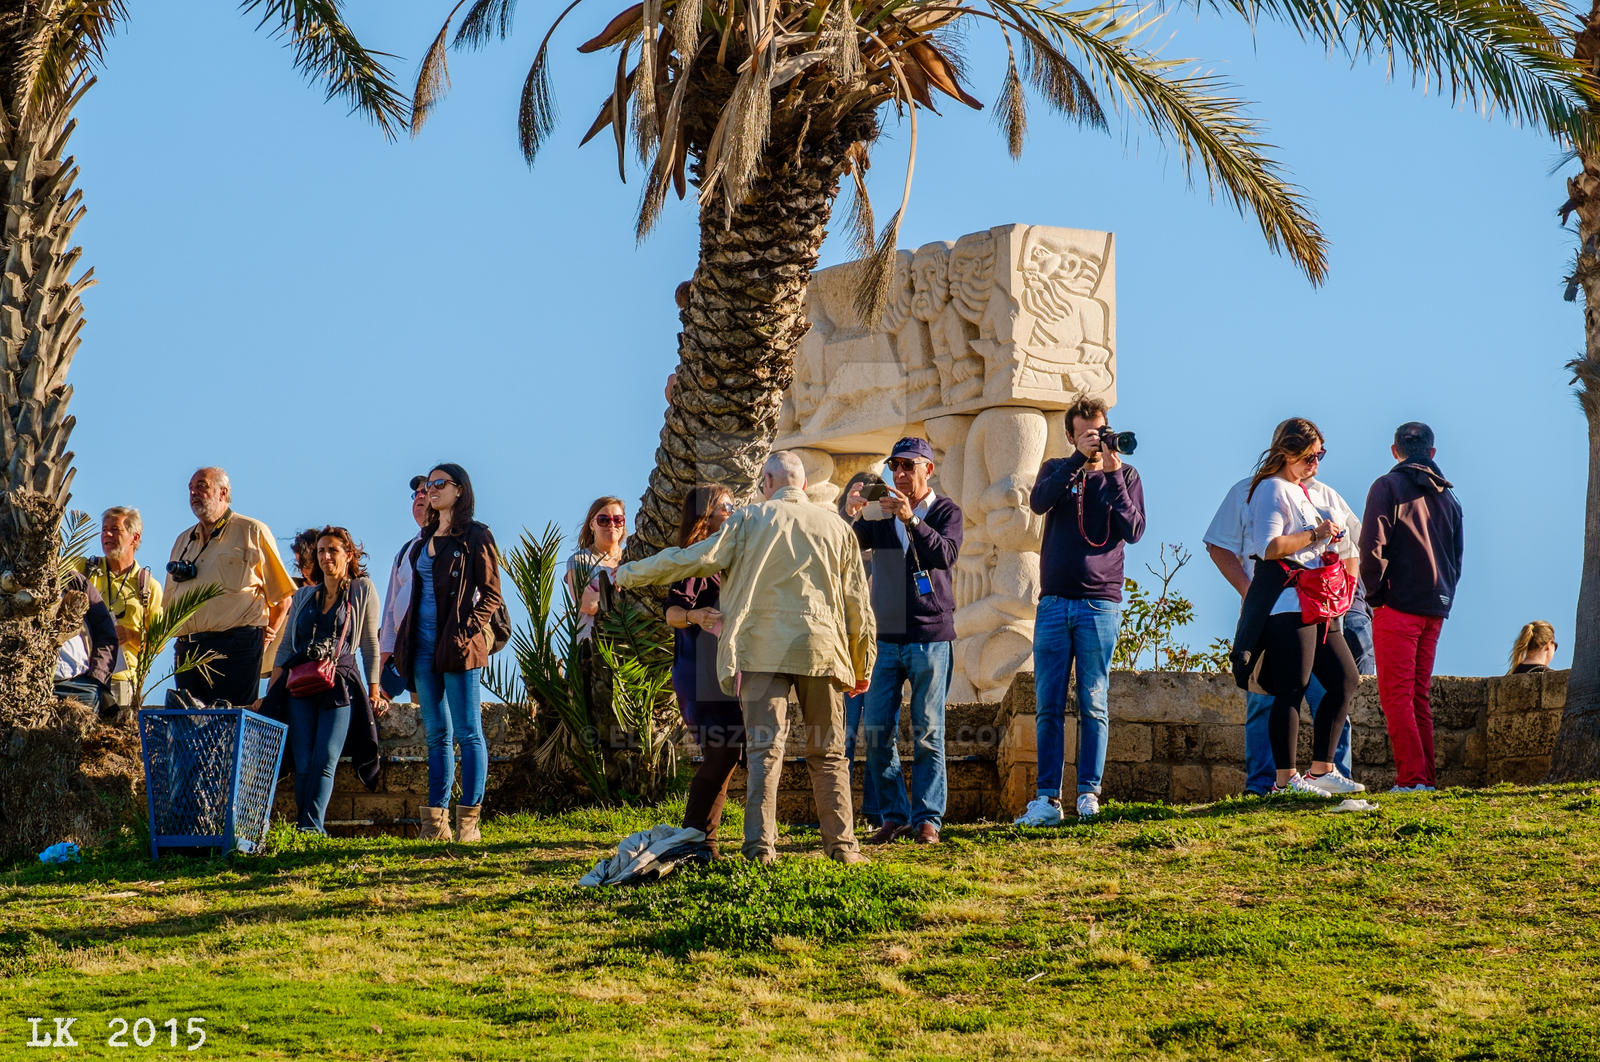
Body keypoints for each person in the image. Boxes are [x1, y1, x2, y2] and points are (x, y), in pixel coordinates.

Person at [615, 451, 874, 865]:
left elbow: (690, 559)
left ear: (768, 484)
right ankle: (843, 849)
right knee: (828, 754)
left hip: (761, 650)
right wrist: (863, 665)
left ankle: (759, 850)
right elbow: (859, 605)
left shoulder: (749, 521)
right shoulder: (838, 528)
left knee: (763, 751)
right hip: (822, 651)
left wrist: (629, 573)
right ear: (803, 485)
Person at [1203, 422, 1363, 795]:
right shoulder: (1271, 488)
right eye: (1310, 457)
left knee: (1345, 679)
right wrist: (1317, 534)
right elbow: (1269, 546)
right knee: (1291, 688)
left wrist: (1325, 542)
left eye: (1321, 455)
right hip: (1287, 604)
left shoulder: (1300, 490)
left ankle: (1321, 769)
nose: (1316, 464)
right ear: (1287, 453)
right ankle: (1284, 779)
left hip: (1316, 602)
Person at [1015, 397, 1145, 825]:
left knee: (1093, 700)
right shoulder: (1057, 468)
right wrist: (1078, 459)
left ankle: (1089, 793)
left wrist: (1110, 474)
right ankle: (1047, 799)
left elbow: (1134, 529)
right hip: (1053, 602)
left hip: (1099, 603)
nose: (1095, 438)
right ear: (1071, 435)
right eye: (1086, 432)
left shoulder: (1125, 475)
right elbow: (1039, 503)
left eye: (1100, 430)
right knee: (1048, 702)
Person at [843, 438, 963, 845]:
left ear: (928, 469)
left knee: (929, 730)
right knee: (876, 732)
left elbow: (944, 555)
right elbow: (848, 545)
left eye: (908, 466)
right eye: (895, 467)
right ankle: (894, 816)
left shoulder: (947, 511)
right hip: (886, 638)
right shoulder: (883, 519)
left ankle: (928, 818)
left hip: (931, 637)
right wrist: (852, 516)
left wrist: (912, 520)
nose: (899, 474)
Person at [390, 464, 503, 843]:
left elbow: (491, 596)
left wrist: (464, 633)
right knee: (437, 735)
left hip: (458, 649)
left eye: (440, 483)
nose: (431, 489)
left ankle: (468, 822)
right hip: (421, 649)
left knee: (469, 732)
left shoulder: (476, 535)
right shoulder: (422, 540)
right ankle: (434, 823)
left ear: (460, 490)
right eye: (427, 484)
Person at [1360, 422, 1465, 794]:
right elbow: (1456, 556)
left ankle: (1411, 778)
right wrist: (1445, 597)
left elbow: (1371, 546)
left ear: (1395, 451)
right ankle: (1424, 780)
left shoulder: (1386, 487)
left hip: (1398, 603)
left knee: (1395, 695)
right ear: (1432, 453)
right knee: (1418, 695)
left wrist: (1374, 595)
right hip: (1435, 605)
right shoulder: (1450, 499)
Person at [265, 527, 384, 834]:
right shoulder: (304, 595)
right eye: (321, 551)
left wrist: (373, 689)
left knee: (325, 757)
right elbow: (286, 647)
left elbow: (370, 643)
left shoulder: (362, 589)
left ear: (349, 555)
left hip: (339, 682)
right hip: (300, 682)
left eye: (333, 550)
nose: (326, 556)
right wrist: (271, 690)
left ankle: (312, 826)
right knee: (303, 759)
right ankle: (303, 827)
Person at [164, 467, 296, 707]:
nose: (194, 492)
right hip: (188, 650)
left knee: (230, 725)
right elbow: (169, 604)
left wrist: (267, 636)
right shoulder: (183, 540)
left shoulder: (252, 531)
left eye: (202, 486)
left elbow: (283, 598)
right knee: (189, 730)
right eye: (191, 488)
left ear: (223, 493)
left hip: (236, 648)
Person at [665, 483, 741, 856]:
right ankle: (698, 836)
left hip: (729, 670)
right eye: (727, 506)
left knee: (729, 750)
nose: (733, 510)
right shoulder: (695, 558)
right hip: (700, 670)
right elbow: (672, 612)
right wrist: (694, 615)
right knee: (723, 750)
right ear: (705, 515)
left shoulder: (732, 556)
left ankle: (700, 839)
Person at [75, 506, 163, 715]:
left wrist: (130, 635)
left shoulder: (148, 586)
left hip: (122, 681)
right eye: (104, 529)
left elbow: (158, 642)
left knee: (113, 742)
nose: (107, 534)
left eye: (115, 530)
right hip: (83, 674)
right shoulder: (83, 569)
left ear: (134, 538)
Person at [837, 471, 880, 828]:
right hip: (846, 648)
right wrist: (850, 517)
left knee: (881, 732)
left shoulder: (889, 536)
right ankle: (841, 815)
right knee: (844, 735)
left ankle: (875, 813)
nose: (866, 502)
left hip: (882, 645)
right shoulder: (840, 533)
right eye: (859, 496)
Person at [379, 475, 432, 693]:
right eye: (416, 493)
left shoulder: (458, 541)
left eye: (425, 491)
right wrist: (384, 661)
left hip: (445, 648)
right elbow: (391, 613)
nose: (419, 496)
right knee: (423, 718)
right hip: (410, 649)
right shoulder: (405, 551)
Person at [54, 571, 118, 710]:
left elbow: (105, 632)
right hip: (23, 683)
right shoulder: (7, 581)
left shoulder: (73, 580)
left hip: (79, 683)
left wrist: (97, 678)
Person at [566, 496, 626, 641]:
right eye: (604, 520)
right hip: (593, 649)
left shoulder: (633, 559)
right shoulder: (580, 560)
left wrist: (604, 595)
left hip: (631, 648)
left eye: (617, 520)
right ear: (592, 524)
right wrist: (624, 594)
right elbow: (587, 603)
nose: (611, 525)